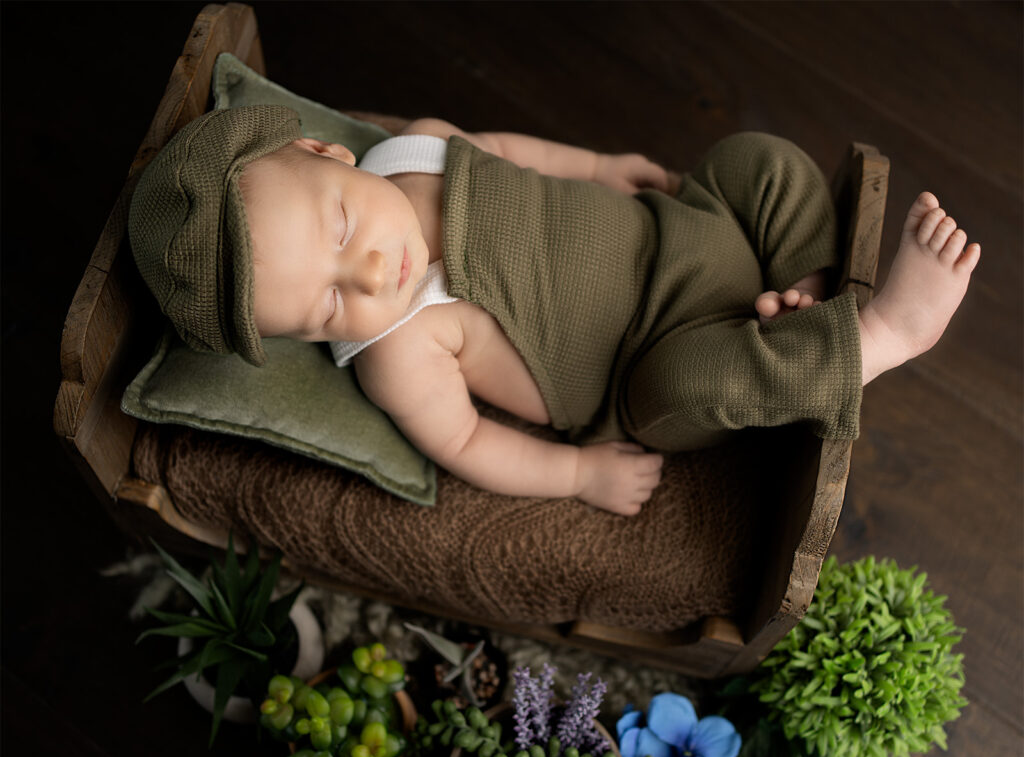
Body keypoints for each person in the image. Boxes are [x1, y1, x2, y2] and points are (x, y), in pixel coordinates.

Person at [128, 106, 979, 516]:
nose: (371, 275)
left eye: (344, 227)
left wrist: (599, 164)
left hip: (687, 230)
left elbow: (506, 152)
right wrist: (580, 475)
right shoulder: (397, 345)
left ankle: (807, 290)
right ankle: (875, 336)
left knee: (759, 161)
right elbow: (467, 444)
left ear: (331, 151)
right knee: (702, 379)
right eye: (322, 306)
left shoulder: (412, 147)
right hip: (648, 364)